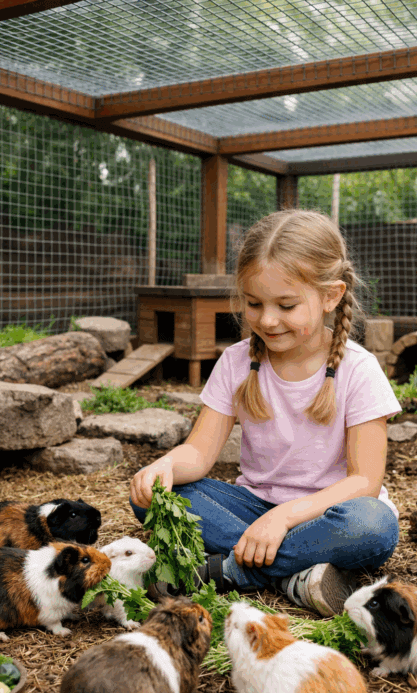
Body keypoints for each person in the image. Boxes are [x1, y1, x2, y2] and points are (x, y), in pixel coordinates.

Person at [130, 209, 401, 617]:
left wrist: (284, 519)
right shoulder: (237, 362)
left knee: (373, 525)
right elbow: (199, 454)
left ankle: (233, 569)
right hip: (252, 507)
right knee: (154, 500)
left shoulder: (358, 370)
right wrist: (164, 467)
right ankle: (292, 574)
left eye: (287, 305)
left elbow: (364, 480)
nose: (267, 320)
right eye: (254, 304)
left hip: (329, 515)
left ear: (330, 296)